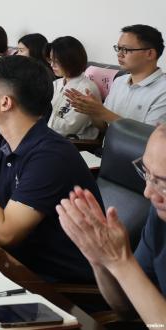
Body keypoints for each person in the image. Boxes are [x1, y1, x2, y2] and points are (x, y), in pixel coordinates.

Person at [0, 56, 102, 283]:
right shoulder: (4, 144)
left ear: (6, 102)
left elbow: (6, 233)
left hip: (56, 282)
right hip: (14, 264)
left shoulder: (50, 157)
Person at [57, 125, 166, 324]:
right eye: (146, 173)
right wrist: (100, 260)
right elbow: (128, 309)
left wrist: (121, 261)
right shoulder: (160, 217)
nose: (148, 192)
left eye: (163, 183)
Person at [64, 24, 166, 129]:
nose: (119, 54)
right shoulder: (119, 82)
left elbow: (150, 135)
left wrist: (102, 112)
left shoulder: (163, 91)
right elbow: (103, 127)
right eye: (118, 48)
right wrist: (92, 111)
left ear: (150, 54)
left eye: (125, 49)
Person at [47, 36, 101, 140]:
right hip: (51, 136)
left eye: (56, 61)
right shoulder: (56, 84)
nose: (52, 65)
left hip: (75, 142)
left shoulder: (86, 89)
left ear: (70, 61)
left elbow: (68, 129)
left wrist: (40, 120)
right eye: (51, 60)